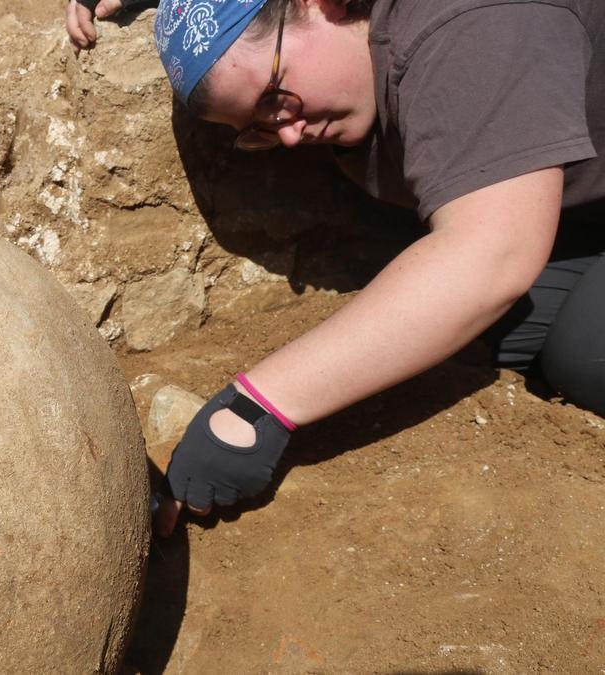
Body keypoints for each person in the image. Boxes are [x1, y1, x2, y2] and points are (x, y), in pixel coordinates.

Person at [65, 0, 605, 537]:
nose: (290, 136)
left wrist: (259, 407)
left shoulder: (472, 21)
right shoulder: (339, 49)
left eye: (276, 97)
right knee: (483, 335)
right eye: (260, 126)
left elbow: (495, 253)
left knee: (577, 350)